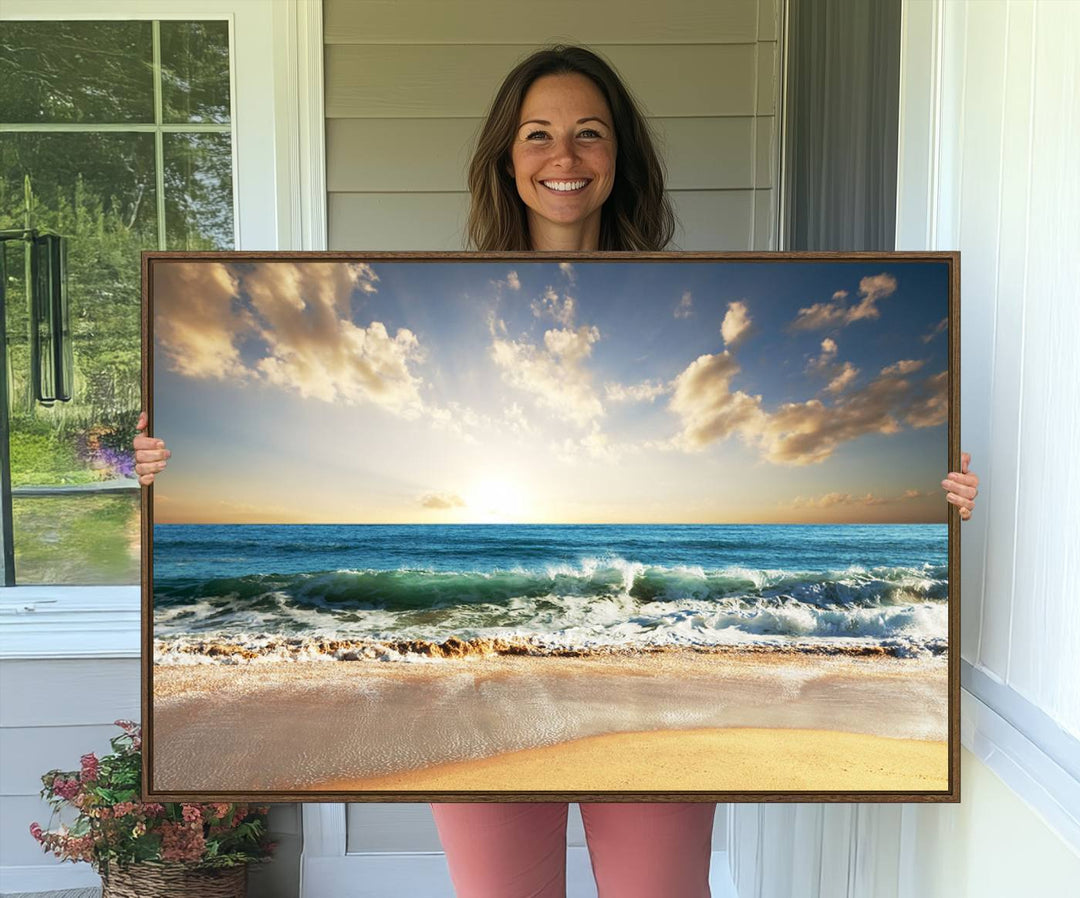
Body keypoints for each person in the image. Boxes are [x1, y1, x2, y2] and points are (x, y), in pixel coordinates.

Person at [134, 45, 980, 898]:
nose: (564, 157)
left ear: (620, 158)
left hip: (657, 677)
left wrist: (939, 503)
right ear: (507, 157)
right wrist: (168, 464)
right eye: (538, 135)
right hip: (475, 687)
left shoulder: (686, 300)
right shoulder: (451, 304)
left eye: (589, 134)